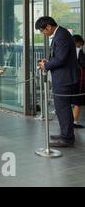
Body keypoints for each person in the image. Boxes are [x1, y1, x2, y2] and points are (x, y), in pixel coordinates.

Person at [36, 16, 79, 147]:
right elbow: (59, 56)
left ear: (48, 27)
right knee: (62, 109)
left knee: (63, 108)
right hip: (63, 77)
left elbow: (61, 59)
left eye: (42, 30)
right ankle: (66, 134)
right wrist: (48, 61)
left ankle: (67, 138)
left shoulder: (61, 36)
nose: (43, 33)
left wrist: (46, 66)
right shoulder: (60, 34)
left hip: (64, 79)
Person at [72, 35, 85, 128]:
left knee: (69, 101)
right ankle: (74, 121)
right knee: (78, 101)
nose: (81, 46)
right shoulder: (78, 51)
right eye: (80, 44)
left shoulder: (66, 50)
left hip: (68, 79)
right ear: (77, 42)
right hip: (78, 79)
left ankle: (69, 121)